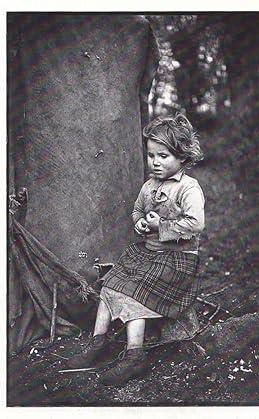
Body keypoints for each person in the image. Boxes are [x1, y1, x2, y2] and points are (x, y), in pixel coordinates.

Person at [66, 113, 205, 386]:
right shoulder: (149, 186)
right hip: (149, 253)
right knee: (111, 282)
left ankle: (135, 355)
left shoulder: (188, 188)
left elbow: (195, 224)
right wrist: (140, 222)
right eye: (151, 155)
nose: (155, 162)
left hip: (177, 260)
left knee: (133, 290)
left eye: (163, 156)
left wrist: (163, 224)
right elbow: (137, 210)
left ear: (182, 157)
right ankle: (98, 341)